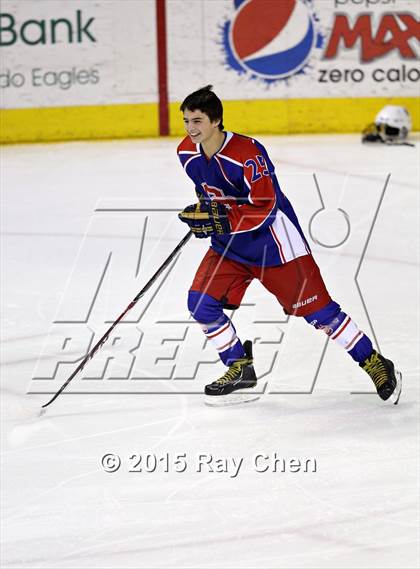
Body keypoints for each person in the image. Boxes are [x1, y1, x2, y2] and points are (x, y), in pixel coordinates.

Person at [177, 85, 402, 405]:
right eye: (186, 120)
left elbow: (266, 207)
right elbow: (209, 190)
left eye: (197, 121)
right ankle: (238, 366)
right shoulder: (186, 152)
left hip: (275, 244)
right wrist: (205, 213)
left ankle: (373, 361)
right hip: (230, 245)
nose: (190, 128)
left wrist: (223, 219)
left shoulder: (247, 154)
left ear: (216, 121)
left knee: (320, 312)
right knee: (201, 304)